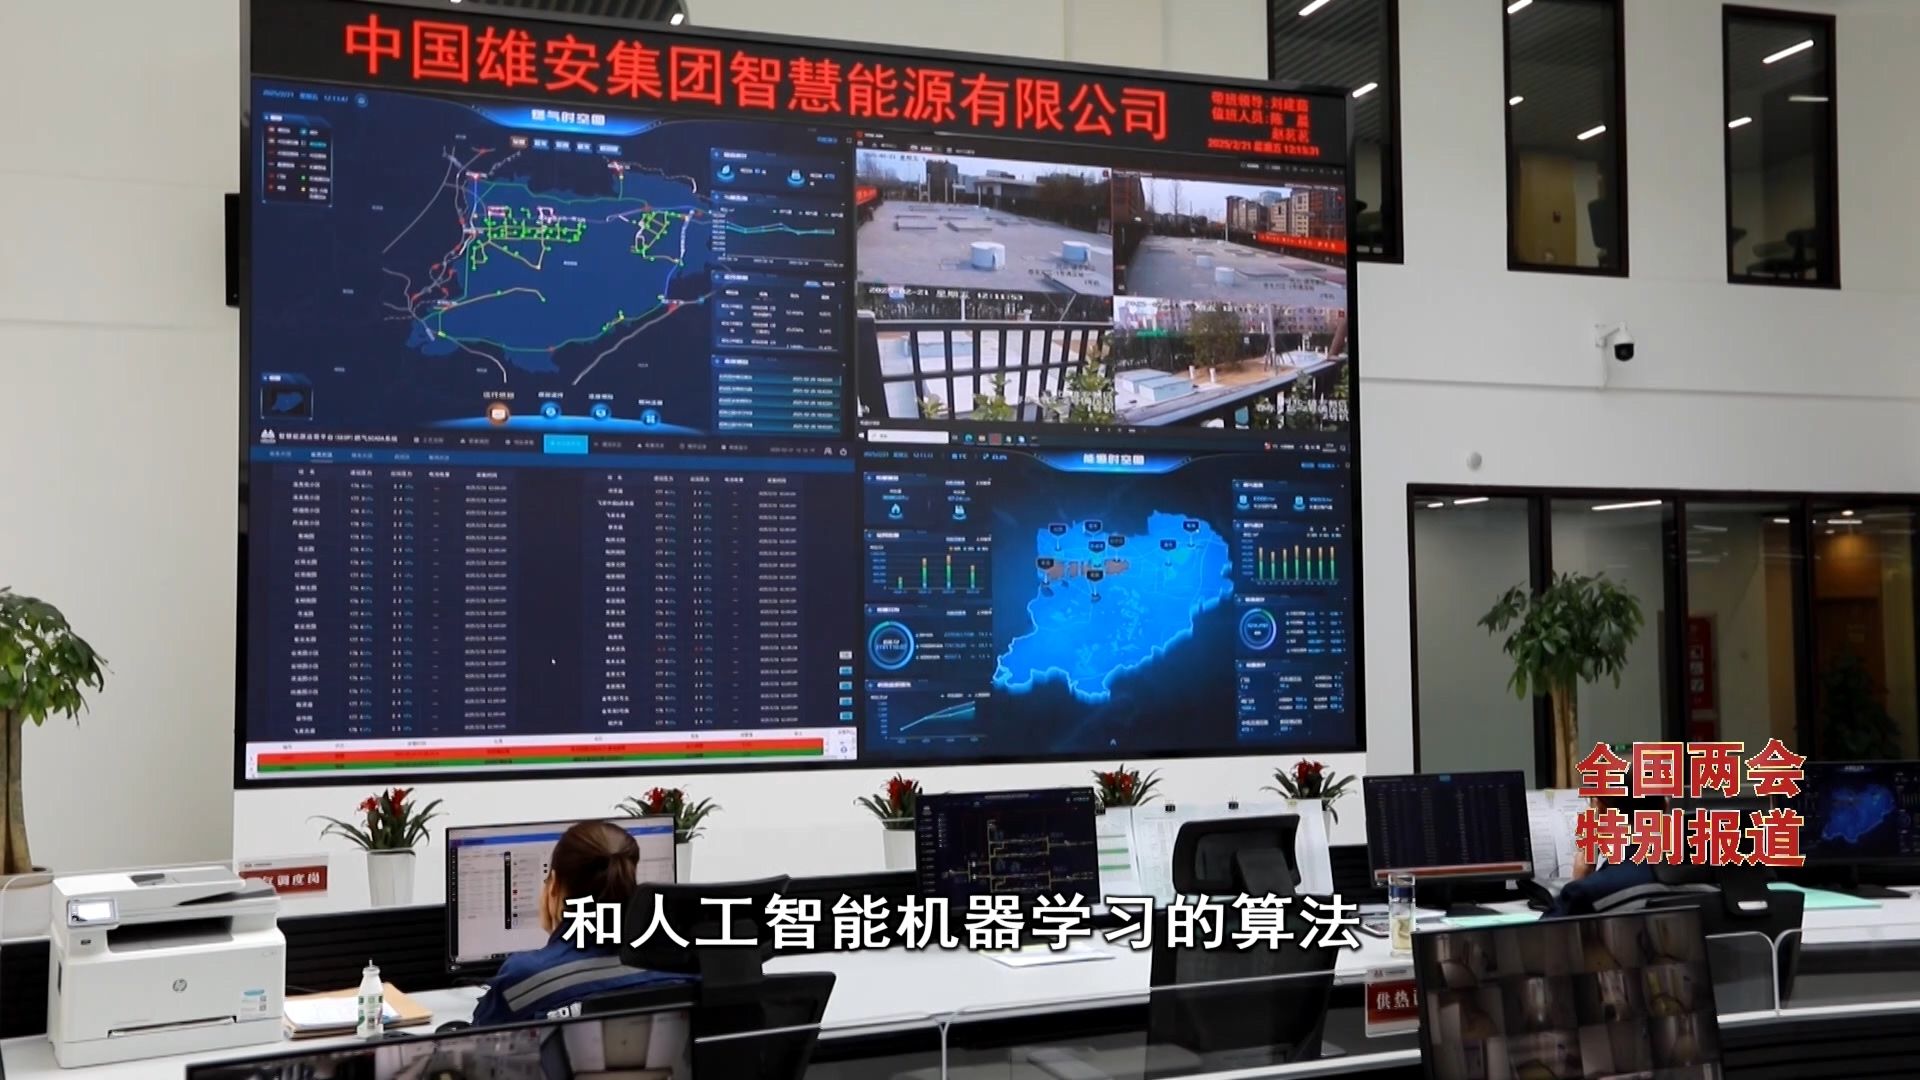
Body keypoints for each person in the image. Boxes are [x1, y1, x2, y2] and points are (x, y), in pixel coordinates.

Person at [470, 820, 691, 1026]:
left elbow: (480, 1040)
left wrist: (557, 942)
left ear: (554, 885)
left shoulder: (522, 980)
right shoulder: (682, 962)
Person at [1543, 796, 1712, 919]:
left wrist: (1581, 877)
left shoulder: (1586, 893)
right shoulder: (1711, 876)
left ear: (1600, 811)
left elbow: (1541, 941)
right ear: (1665, 807)